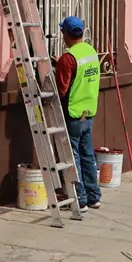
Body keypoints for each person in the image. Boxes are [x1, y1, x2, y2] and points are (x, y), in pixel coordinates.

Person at [54, 16, 102, 210]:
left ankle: (79, 200)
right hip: (88, 112)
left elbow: (62, 89)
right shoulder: (91, 52)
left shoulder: (69, 58)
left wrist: (59, 68)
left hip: (72, 114)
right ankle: (93, 197)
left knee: (73, 157)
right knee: (88, 155)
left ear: (65, 34)